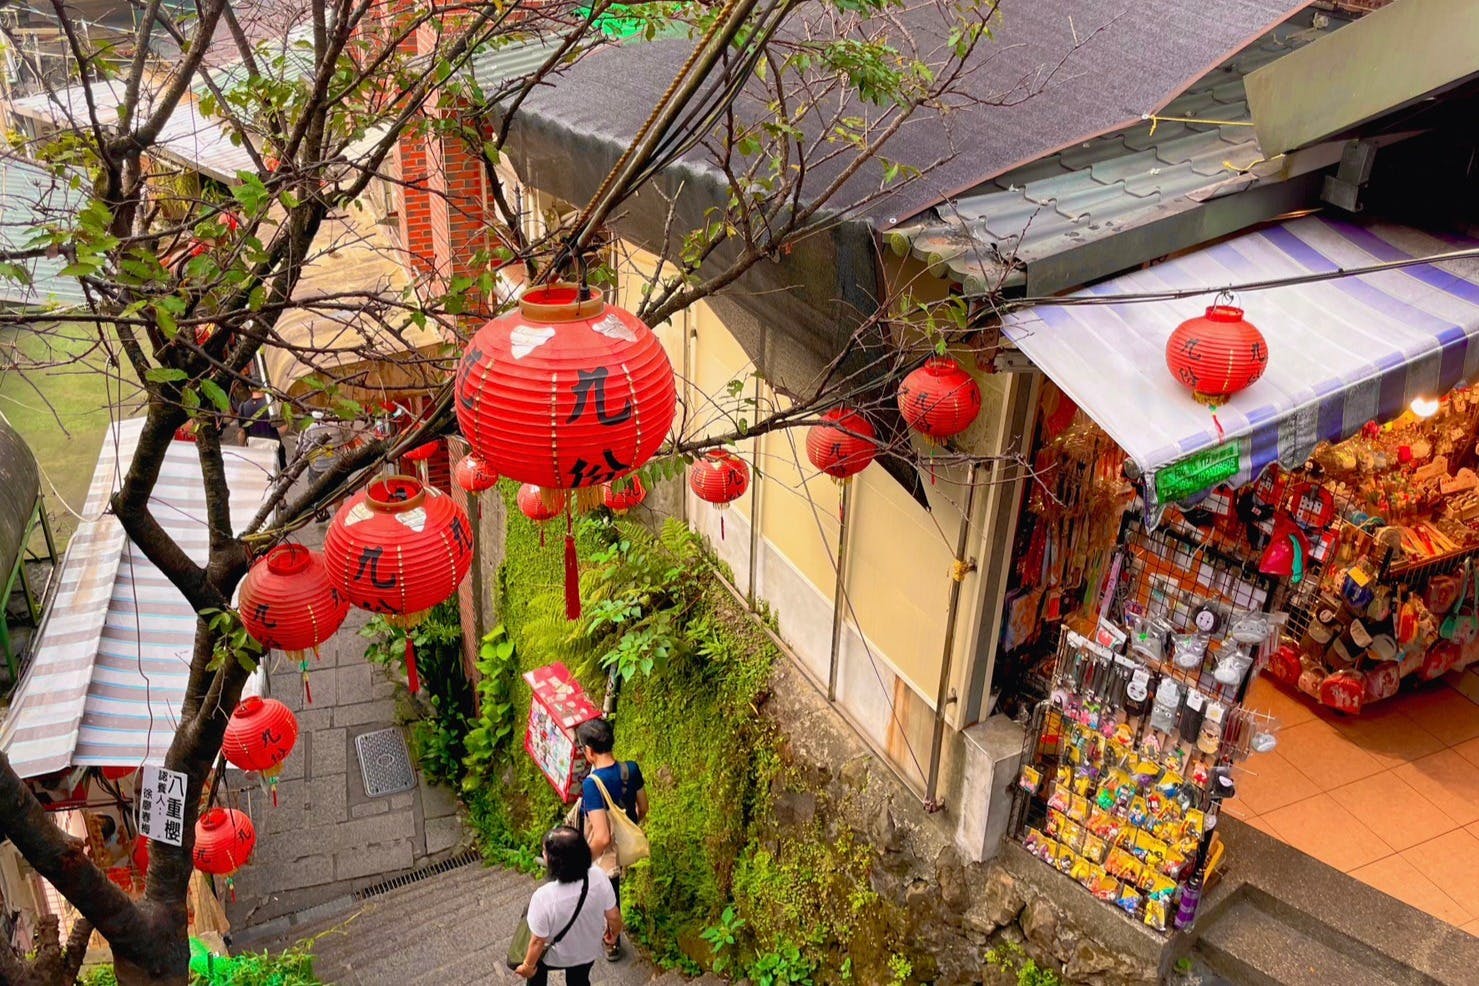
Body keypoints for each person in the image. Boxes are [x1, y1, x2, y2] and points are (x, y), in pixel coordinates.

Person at [574, 717, 647, 961]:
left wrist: (582, 861)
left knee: (604, 890)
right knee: (612, 888)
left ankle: (611, 939)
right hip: (623, 842)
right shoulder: (631, 769)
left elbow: (602, 836)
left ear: (589, 751)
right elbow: (643, 808)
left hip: (603, 851)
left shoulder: (593, 784)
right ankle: (611, 938)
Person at [514, 826, 621, 986]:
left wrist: (528, 966)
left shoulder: (543, 897)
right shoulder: (598, 876)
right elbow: (614, 917)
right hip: (587, 951)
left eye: (545, 852)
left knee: (537, 970)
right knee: (579, 980)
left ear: (554, 862)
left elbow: (537, 942)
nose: (543, 854)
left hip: (556, 956)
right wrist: (614, 934)